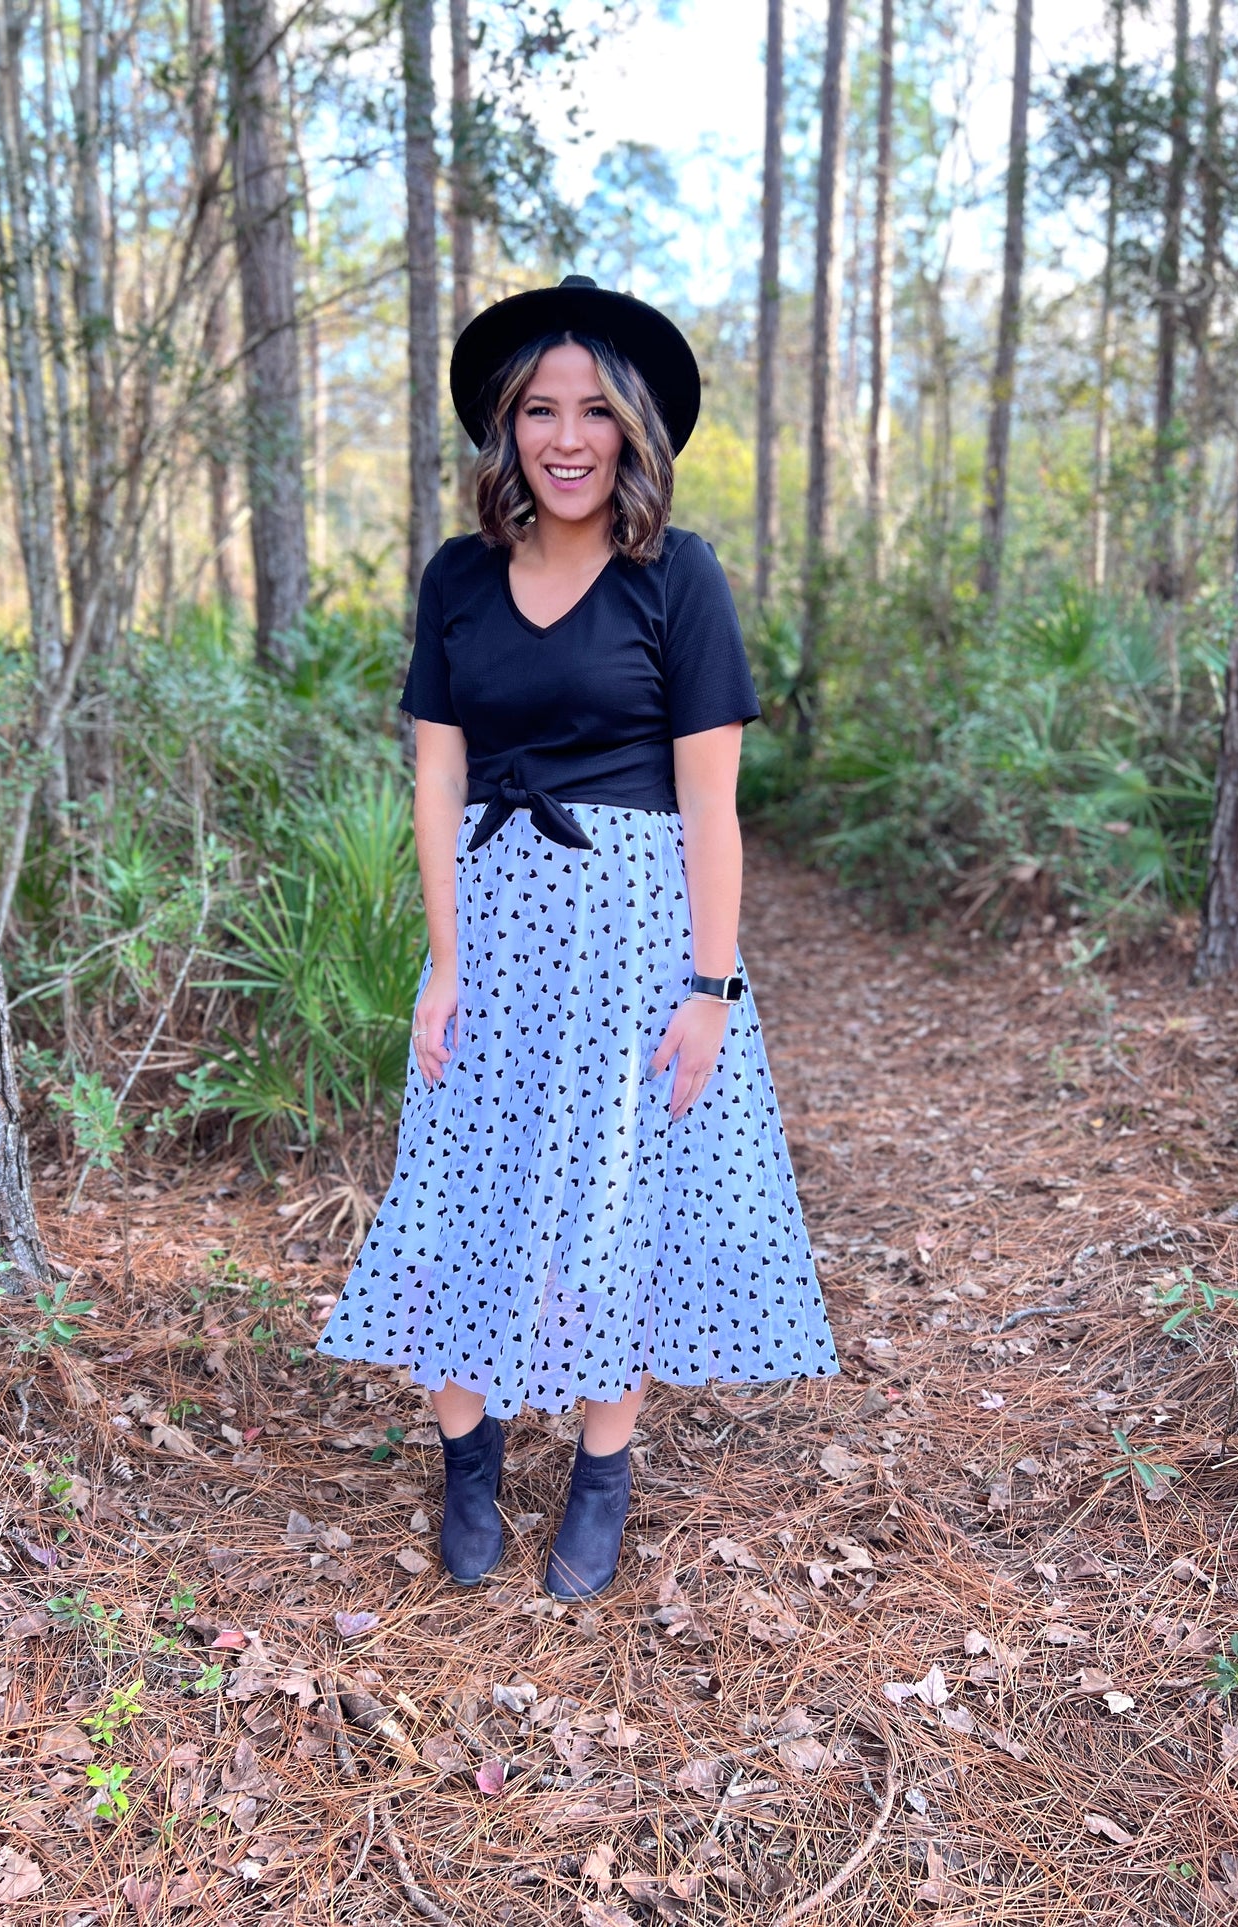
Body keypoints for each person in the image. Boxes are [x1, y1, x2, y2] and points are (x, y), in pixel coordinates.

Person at [317, 275, 839, 1601]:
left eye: (592, 412)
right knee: (457, 1185)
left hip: (634, 936)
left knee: (618, 1198)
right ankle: (468, 1455)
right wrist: (441, 959)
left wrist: (709, 986)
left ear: (632, 431)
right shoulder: (456, 577)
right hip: (490, 927)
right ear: (505, 430)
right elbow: (436, 777)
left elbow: (712, 801)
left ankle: (602, 1469)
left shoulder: (677, 577)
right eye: (539, 411)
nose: (565, 438)